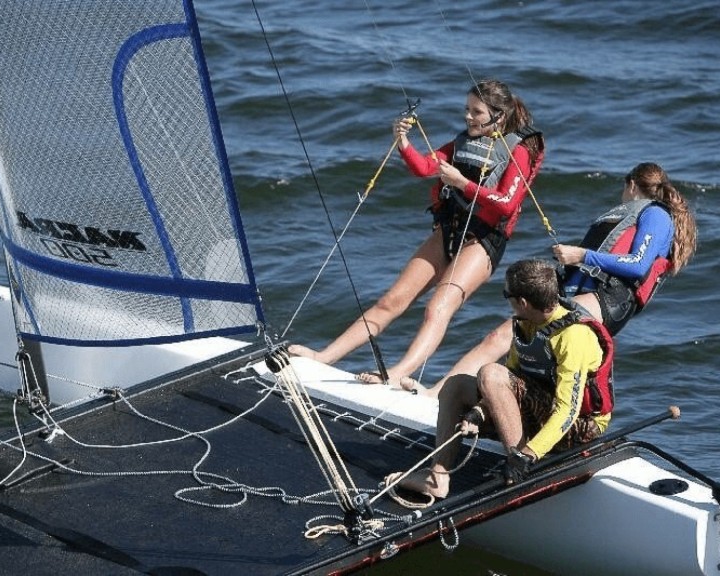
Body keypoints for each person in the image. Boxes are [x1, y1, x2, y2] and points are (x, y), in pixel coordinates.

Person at [290, 79, 545, 385]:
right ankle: (323, 357)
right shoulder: (463, 142)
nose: (468, 117)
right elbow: (425, 168)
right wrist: (404, 143)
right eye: (466, 109)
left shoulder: (519, 151)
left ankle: (397, 375)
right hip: (449, 229)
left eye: (476, 112)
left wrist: (462, 184)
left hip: (483, 240)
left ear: (498, 116)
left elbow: (506, 204)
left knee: (438, 307)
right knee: (391, 300)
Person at [403, 161, 698, 397]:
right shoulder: (633, 214)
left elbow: (637, 265)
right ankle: (444, 395)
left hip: (607, 299)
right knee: (507, 341)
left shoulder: (656, 215)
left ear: (631, 184)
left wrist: (581, 256)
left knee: (513, 340)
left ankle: (439, 395)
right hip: (585, 293)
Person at [394, 258, 614, 499]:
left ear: (522, 302)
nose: (506, 300)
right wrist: (478, 413)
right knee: (456, 385)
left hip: (578, 428)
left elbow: (567, 411)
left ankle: (519, 470)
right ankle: (437, 478)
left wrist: (527, 456)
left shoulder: (574, 337)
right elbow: (510, 381)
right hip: (538, 411)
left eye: (506, 294)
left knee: (490, 372)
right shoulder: (525, 322)